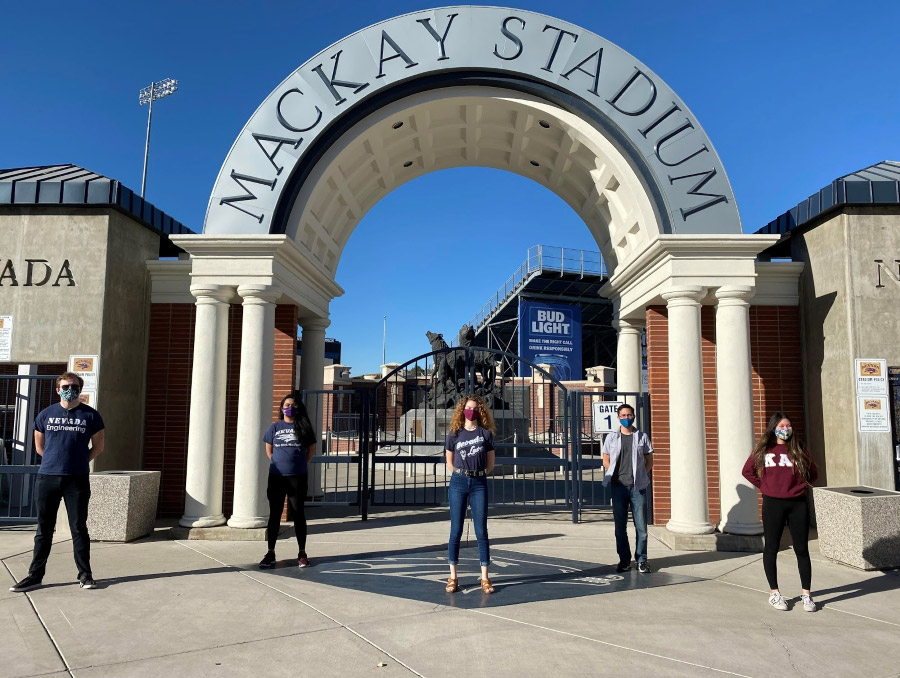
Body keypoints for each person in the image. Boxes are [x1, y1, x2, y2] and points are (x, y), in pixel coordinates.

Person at [9, 372, 105, 592]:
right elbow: (40, 447)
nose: (69, 389)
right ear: (57, 389)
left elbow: (98, 448)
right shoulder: (46, 414)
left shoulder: (91, 416)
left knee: (79, 528)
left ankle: (85, 575)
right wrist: (56, 462)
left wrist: (79, 462)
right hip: (47, 479)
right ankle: (35, 576)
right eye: (65, 386)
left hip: (77, 480)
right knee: (44, 529)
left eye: (74, 386)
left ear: (80, 390)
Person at [742, 412, 818, 612]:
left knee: (802, 549)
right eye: (782, 426)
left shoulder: (799, 449)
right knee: (772, 547)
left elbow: (813, 472)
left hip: (797, 504)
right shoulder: (764, 450)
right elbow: (747, 471)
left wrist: (799, 486)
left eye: (788, 426)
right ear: (774, 428)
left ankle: (807, 595)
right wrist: (766, 486)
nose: (785, 429)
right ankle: (775, 593)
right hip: (773, 503)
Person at [258, 394, 317, 569]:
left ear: (298, 408)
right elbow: (269, 450)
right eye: (287, 404)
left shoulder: (303, 427)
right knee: (275, 514)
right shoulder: (275, 427)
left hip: (297, 477)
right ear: (282, 407)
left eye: (293, 405)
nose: (289, 407)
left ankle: (302, 553)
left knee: (299, 514)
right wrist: (279, 464)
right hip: (277, 477)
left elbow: (311, 450)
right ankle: (270, 552)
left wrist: (298, 464)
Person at [444, 395, 495, 594]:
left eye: (474, 408)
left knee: (481, 531)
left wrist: (478, 473)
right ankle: (453, 576)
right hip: (458, 482)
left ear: (480, 411)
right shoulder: (455, 433)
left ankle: (484, 577)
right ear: (462, 410)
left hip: (479, 483)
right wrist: (459, 472)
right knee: (455, 530)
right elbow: (449, 459)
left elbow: (491, 463)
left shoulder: (485, 434)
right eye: (468, 407)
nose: (471, 411)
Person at [602, 403, 654, 574]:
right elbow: (606, 460)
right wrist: (613, 475)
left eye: (629, 415)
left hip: (637, 488)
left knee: (641, 527)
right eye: (623, 415)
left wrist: (640, 476)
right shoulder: (611, 438)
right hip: (618, 487)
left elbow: (649, 461)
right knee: (620, 527)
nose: (626, 418)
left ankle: (642, 560)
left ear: (633, 416)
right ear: (618, 417)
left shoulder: (642, 437)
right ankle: (624, 560)